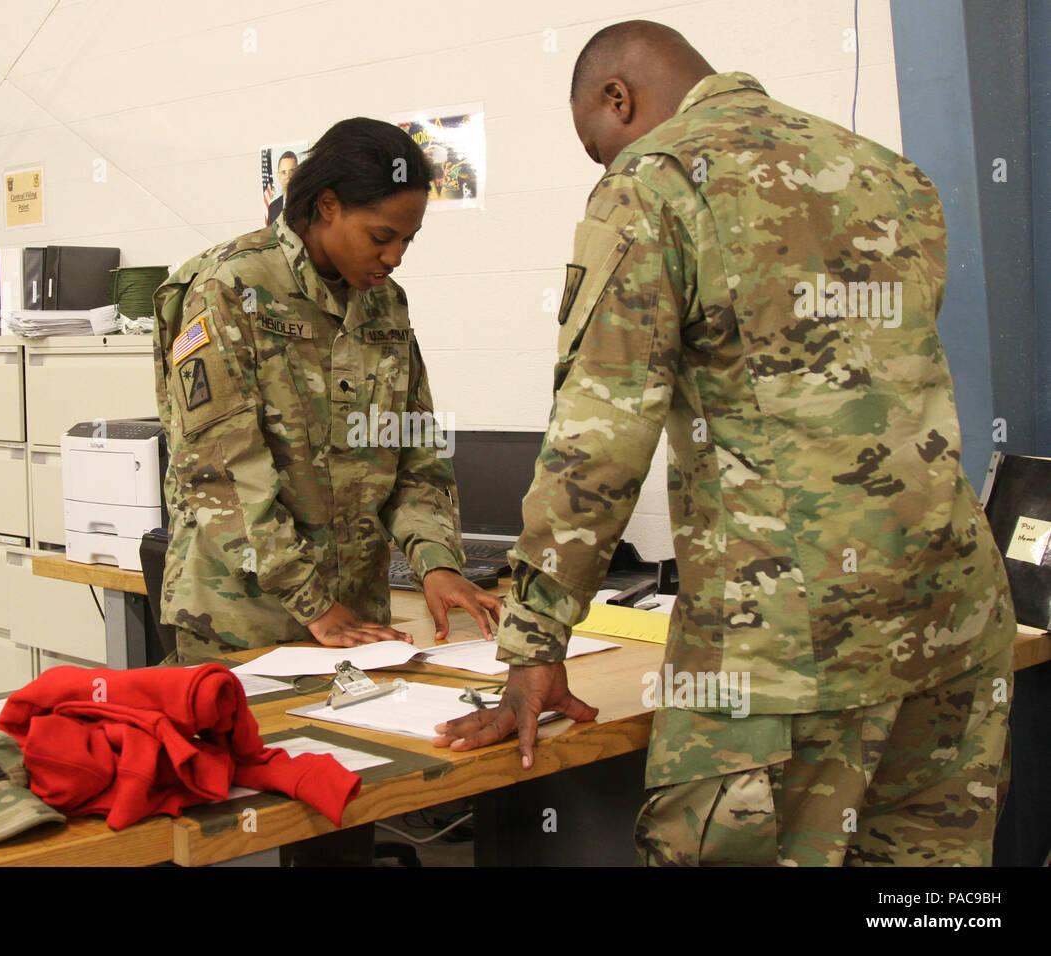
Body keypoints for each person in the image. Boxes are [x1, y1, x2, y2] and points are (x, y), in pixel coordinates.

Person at [433, 20, 1017, 866]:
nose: (605, 165)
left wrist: (534, 645)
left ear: (618, 98)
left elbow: (601, 439)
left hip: (784, 647)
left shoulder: (653, 182)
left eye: (597, 147)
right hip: (955, 615)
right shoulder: (888, 172)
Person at [152, 117, 502, 659]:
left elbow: (414, 451)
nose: (395, 257)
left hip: (356, 619)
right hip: (243, 622)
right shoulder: (230, 288)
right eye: (381, 237)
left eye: (407, 240)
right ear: (329, 205)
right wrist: (312, 603)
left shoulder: (385, 304)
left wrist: (437, 563)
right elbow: (222, 472)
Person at [265, 150, 298, 226]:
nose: (288, 176)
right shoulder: (273, 207)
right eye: (283, 172)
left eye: (292, 171)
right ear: (279, 176)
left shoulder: (306, 203)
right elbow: (272, 232)